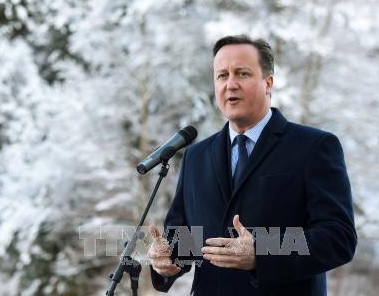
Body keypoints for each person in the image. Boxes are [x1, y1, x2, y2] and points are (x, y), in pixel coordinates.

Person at [147, 35, 357, 295]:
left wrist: (261, 253)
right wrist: (168, 258)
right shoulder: (196, 156)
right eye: (222, 75)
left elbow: (338, 238)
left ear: (268, 83)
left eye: (242, 74)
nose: (230, 84)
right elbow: (188, 239)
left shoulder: (314, 147)